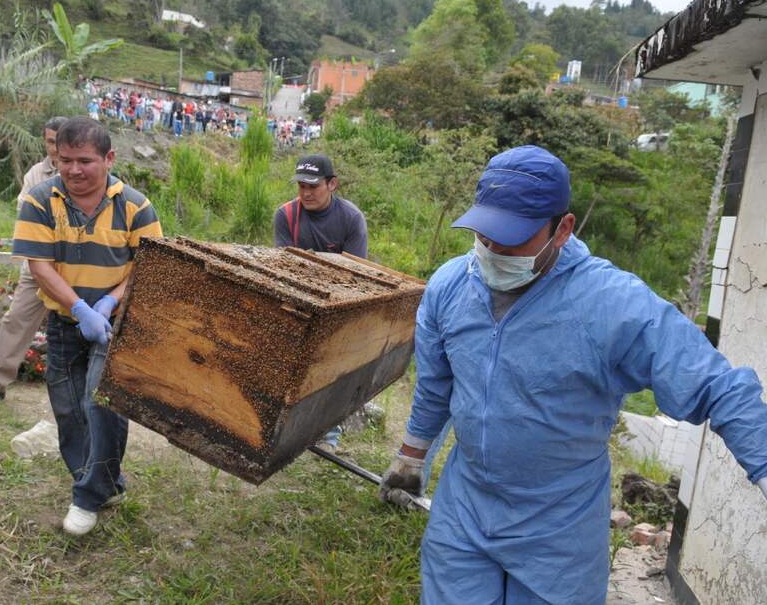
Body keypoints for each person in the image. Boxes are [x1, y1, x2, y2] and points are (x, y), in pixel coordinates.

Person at [378, 145, 767, 604]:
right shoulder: (450, 286)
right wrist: (411, 457)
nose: (493, 251)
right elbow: (436, 384)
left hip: (558, 527)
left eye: (512, 239)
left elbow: (717, 386)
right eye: (484, 235)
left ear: (562, 229)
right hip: (466, 507)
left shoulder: (612, 304)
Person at [12, 117, 163, 536]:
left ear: (108, 158)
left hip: (115, 323)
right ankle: (101, 481)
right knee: (68, 408)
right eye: (65, 160)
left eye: (85, 161)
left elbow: (149, 267)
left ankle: (87, 497)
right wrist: (79, 309)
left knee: (102, 402)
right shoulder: (40, 201)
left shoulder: (135, 206)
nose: (74, 170)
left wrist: (110, 302)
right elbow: (40, 266)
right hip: (64, 321)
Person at [0, 116, 68, 401]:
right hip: (39, 263)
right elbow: (27, 213)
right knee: (16, 320)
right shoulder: (36, 174)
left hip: (77, 266)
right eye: (50, 142)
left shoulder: (82, 171)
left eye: (60, 141)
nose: (55, 148)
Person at [273, 154, 368, 452]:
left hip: (339, 300)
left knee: (332, 366)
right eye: (301, 186)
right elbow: (283, 266)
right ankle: (281, 428)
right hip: (295, 298)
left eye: (313, 186)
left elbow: (354, 275)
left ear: (332, 184)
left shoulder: (351, 219)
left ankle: (328, 434)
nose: (306, 193)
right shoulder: (286, 215)